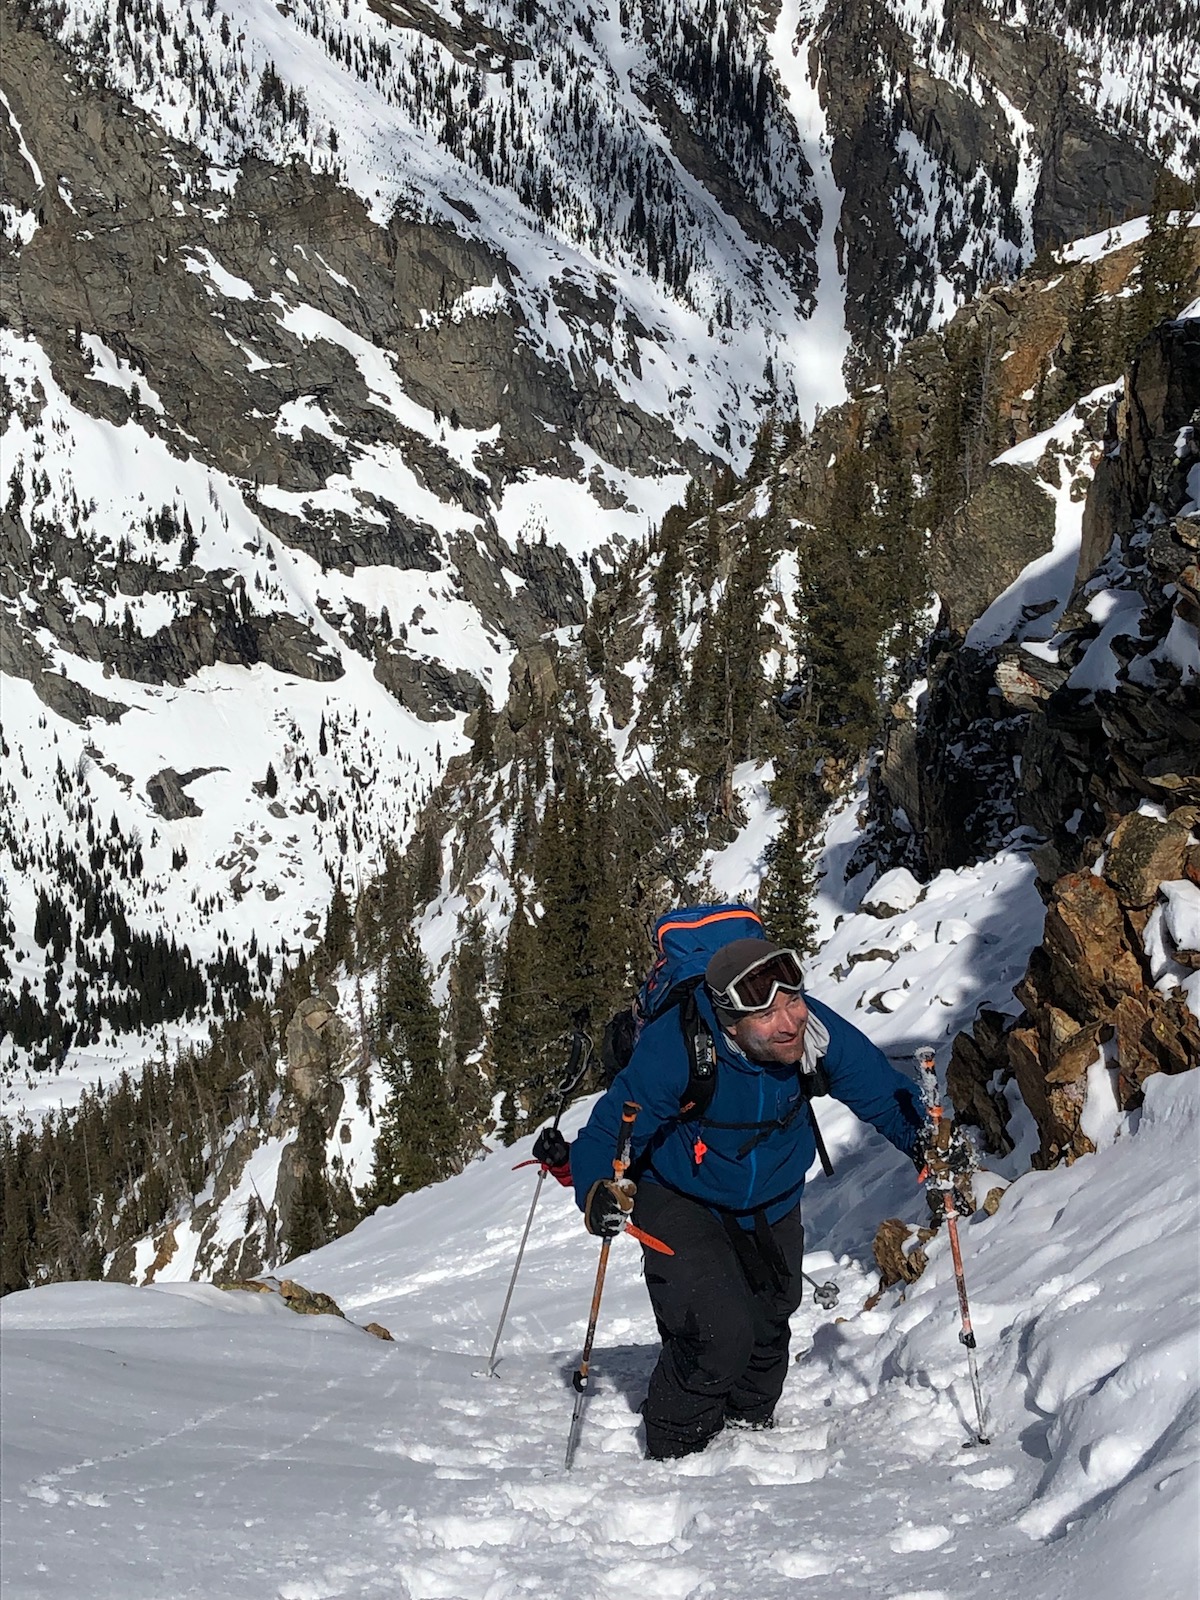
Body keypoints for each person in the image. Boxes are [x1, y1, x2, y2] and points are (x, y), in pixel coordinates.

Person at [536, 934, 964, 1462]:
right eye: (767, 1015)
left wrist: (925, 1142)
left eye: (794, 1000)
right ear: (730, 1023)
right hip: (679, 1194)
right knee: (716, 1331)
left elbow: (878, 1088)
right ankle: (676, 1452)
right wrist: (597, 1189)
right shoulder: (677, 1048)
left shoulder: (814, 1032)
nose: (790, 1022)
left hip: (772, 1194)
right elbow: (608, 1131)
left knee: (770, 1320)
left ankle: (749, 1431)